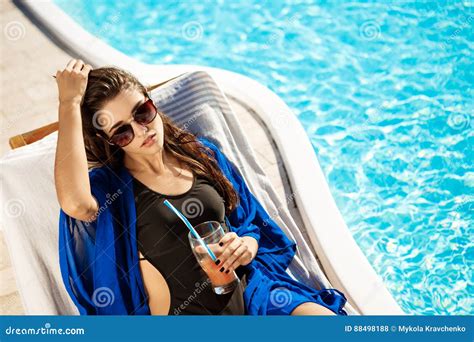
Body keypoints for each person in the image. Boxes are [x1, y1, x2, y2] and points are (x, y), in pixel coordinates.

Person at [54, 58, 347, 316]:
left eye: (142, 112)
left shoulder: (202, 154)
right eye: (122, 132)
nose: (142, 130)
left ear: (150, 101)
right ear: (108, 140)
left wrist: (246, 246)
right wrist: (68, 103)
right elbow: (76, 203)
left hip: (254, 297)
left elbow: (250, 223)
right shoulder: (110, 190)